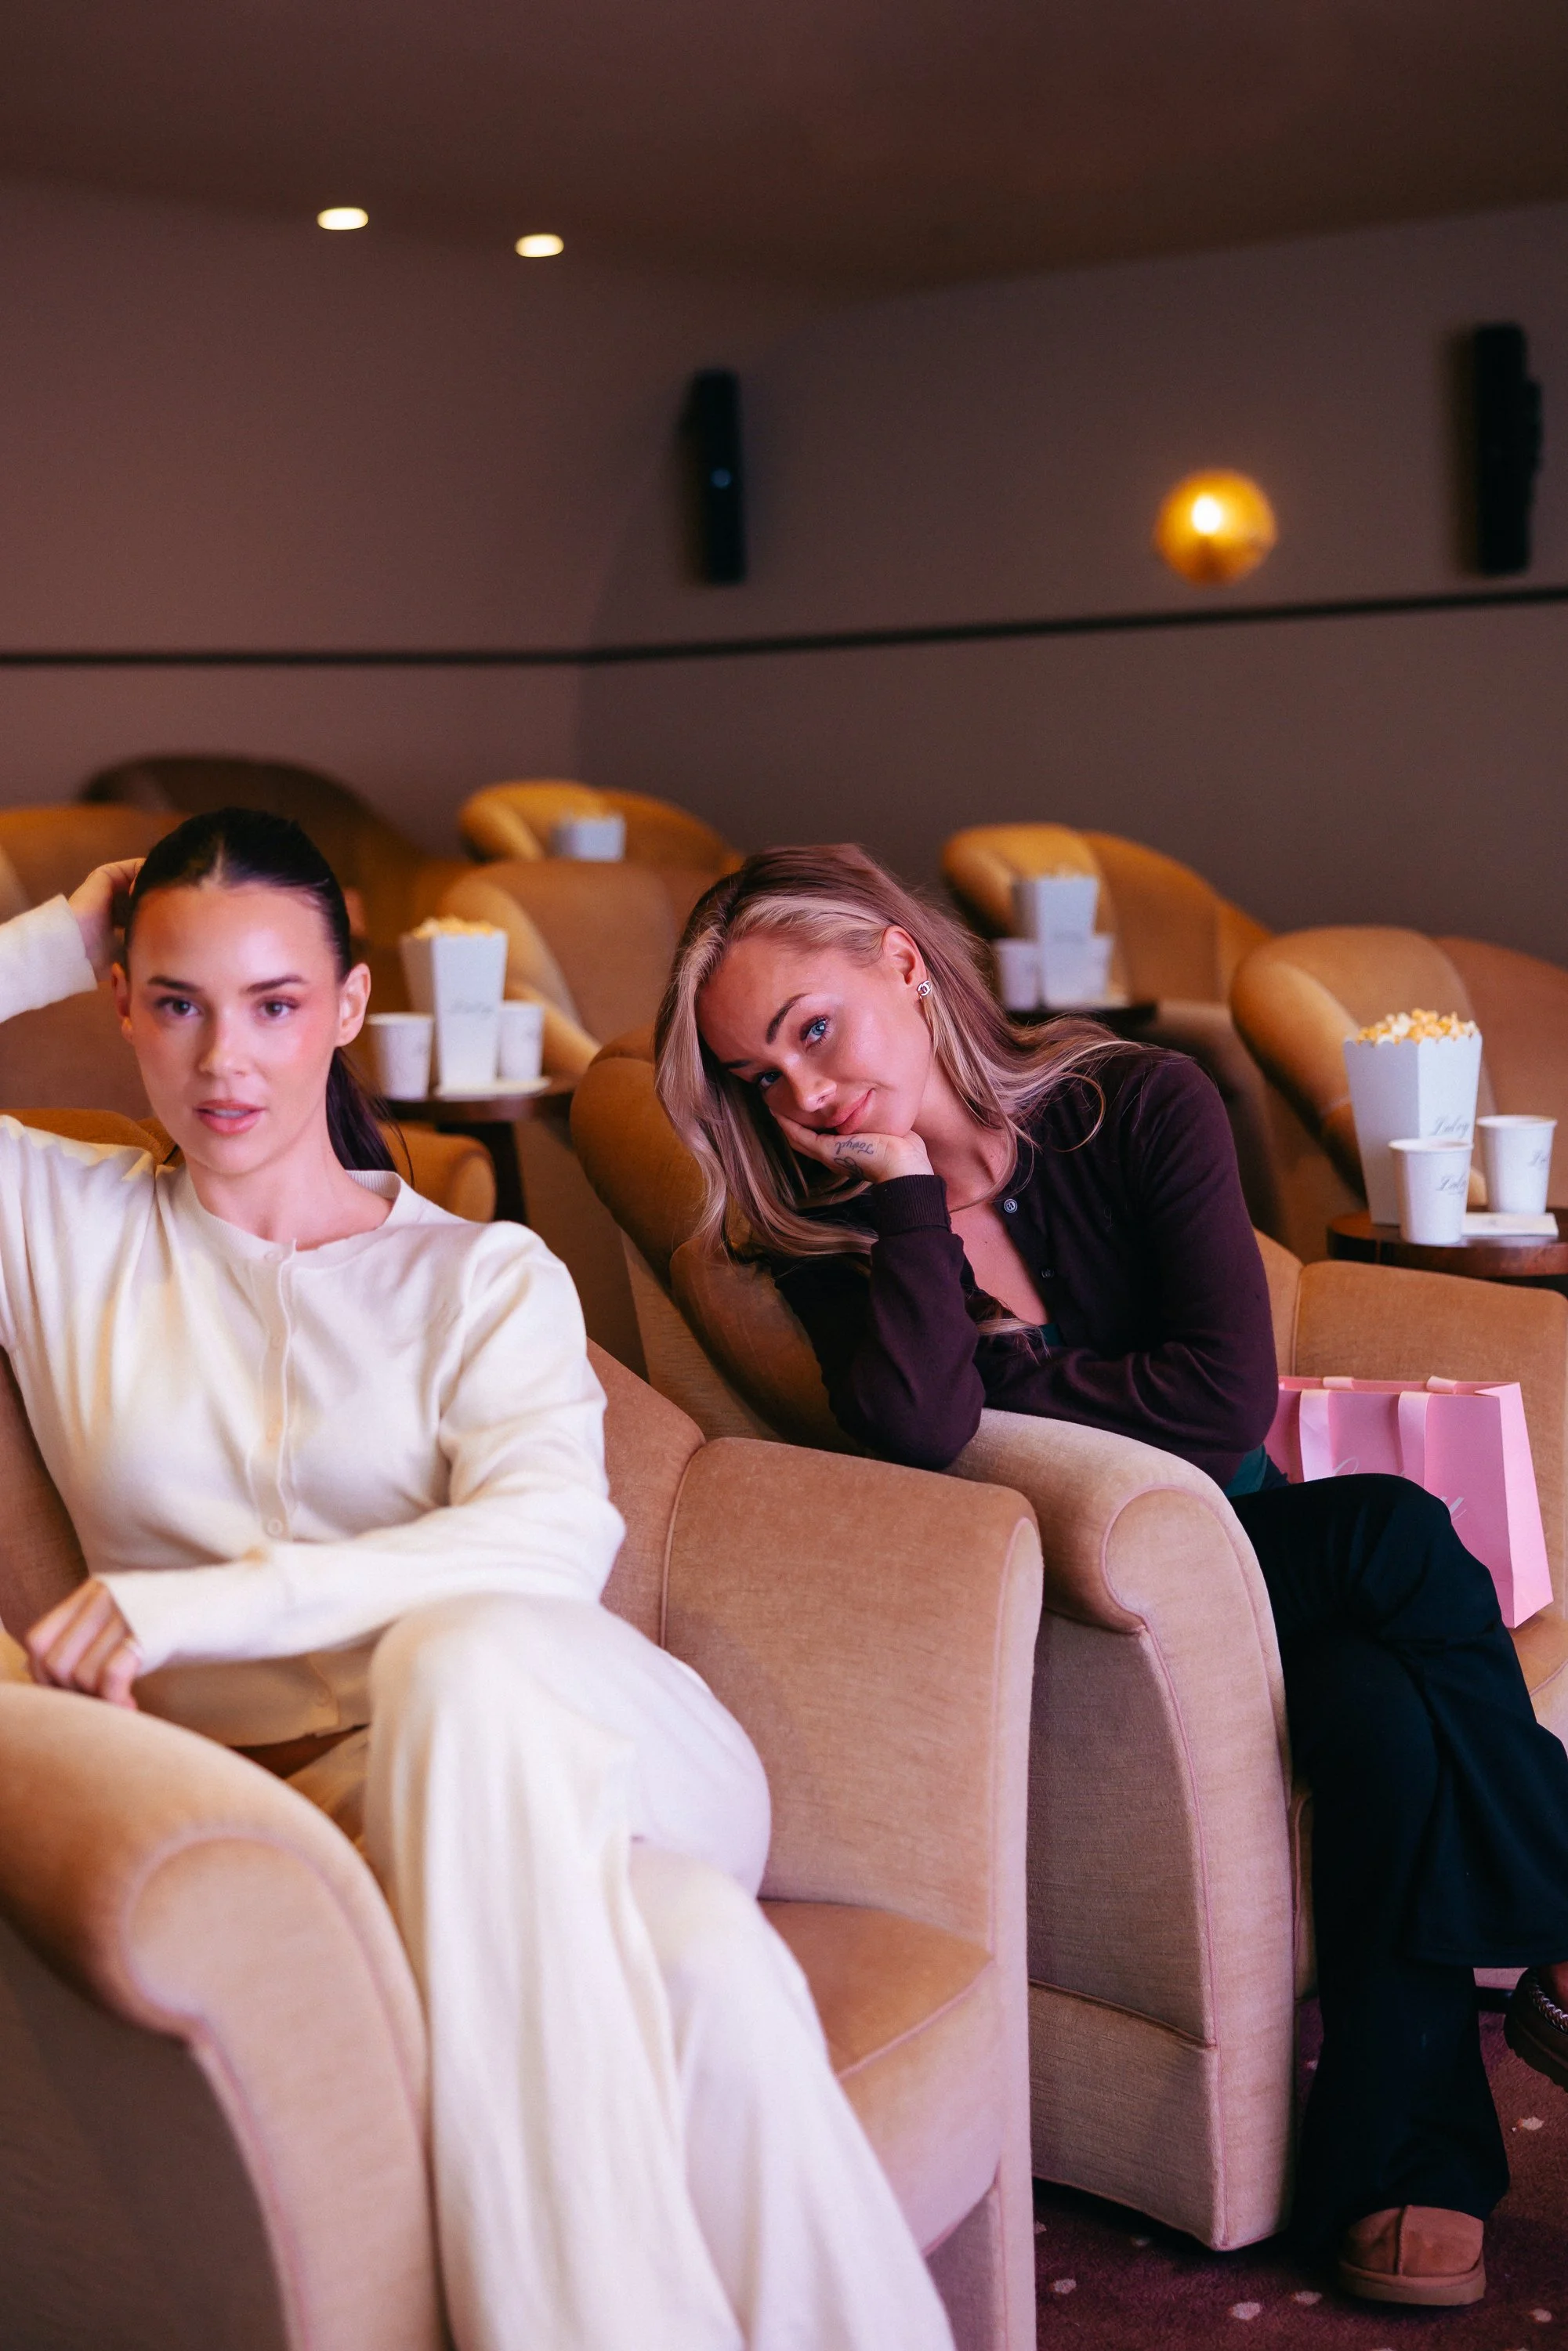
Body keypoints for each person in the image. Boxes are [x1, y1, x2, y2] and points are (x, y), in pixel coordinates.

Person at [4, 810, 956, 2351]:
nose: (224, 1060)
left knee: (463, 1657)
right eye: (175, 1001)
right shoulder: (55, 1224)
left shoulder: (479, 1272)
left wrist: (197, 1604)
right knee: (707, 1970)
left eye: (273, 1003)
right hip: (343, 1827)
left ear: (348, 1009)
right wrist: (60, 932)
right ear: (121, 1005)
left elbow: (546, 1544)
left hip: (613, 1754)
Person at [657, 840, 1568, 2309]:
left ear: (901, 961)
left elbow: (1218, 1407)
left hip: (1254, 1545)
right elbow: (921, 1423)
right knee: (1394, 1588)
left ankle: (1408, 2174)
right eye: (758, 1078)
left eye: (811, 1032)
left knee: (1385, 1665)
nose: (803, 1097)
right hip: (1115, 1615)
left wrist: (1018, 1360)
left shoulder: (1138, 1102)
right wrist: (902, 1206)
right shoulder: (839, 1231)